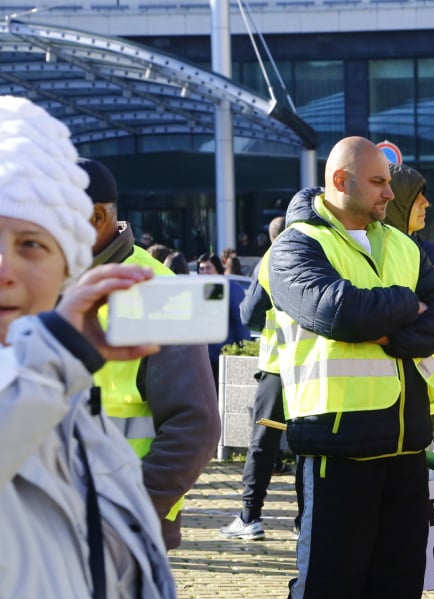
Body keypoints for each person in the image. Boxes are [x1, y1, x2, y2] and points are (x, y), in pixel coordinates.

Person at [261, 136, 434, 599]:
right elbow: (337, 311)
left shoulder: (397, 243)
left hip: (404, 450)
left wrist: (389, 332)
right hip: (337, 448)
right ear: (341, 181)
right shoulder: (295, 247)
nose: (389, 192)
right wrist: (404, 304)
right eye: (378, 182)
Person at [0, 94, 185, 599]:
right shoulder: (55, 375)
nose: (4, 268)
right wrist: (57, 353)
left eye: (31, 245)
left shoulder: (83, 424)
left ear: (66, 268)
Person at [78, 157, 219, 550]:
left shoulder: (162, 290)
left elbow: (197, 427)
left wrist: (128, 510)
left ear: (96, 218)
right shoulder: (49, 281)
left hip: (119, 532)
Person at [220, 215, 299, 542]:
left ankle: (250, 516)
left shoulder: (272, 258)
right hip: (316, 372)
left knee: (262, 443)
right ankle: (303, 522)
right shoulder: (327, 251)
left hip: (277, 367)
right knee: (309, 448)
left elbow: (250, 313)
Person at [196, 250, 250, 385]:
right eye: (201, 269)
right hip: (202, 358)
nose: (204, 272)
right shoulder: (196, 290)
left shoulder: (230, 288)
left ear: (218, 270)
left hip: (224, 356)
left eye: (208, 268)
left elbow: (240, 321)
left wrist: (242, 351)